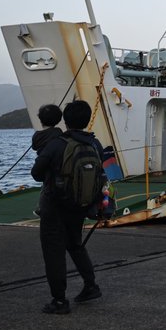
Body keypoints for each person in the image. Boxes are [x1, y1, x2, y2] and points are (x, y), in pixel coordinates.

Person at [31, 99, 103, 314]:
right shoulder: (94, 144)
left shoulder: (58, 144)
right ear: (88, 119)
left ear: (65, 120)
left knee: (54, 251)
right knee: (75, 243)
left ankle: (59, 300)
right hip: (82, 204)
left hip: (55, 206)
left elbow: (36, 174)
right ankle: (90, 285)